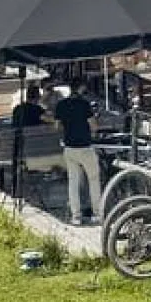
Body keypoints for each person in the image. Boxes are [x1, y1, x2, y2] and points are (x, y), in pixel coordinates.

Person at [53, 79, 101, 226]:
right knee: (93, 179)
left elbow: (56, 126)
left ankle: (76, 216)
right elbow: (94, 126)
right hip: (85, 147)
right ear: (81, 88)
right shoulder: (84, 104)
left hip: (69, 147)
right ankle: (97, 214)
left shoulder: (61, 105)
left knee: (73, 182)